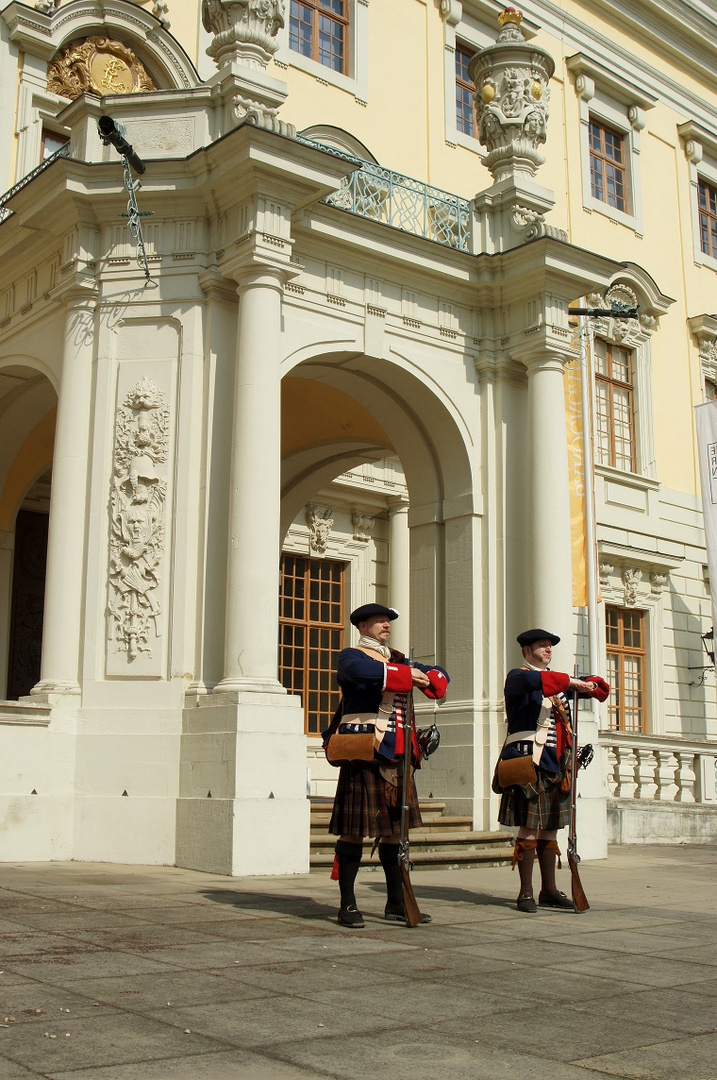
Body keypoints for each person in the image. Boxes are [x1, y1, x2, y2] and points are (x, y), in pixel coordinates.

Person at [327, 603, 449, 928]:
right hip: (365, 750)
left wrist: (423, 674)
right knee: (353, 833)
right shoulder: (352, 656)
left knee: (396, 834)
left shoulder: (397, 659)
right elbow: (361, 674)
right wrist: (409, 674)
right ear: (363, 627)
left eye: (388, 621)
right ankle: (347, 905)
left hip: (399, 756)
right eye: (380, 620)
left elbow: (440, 679)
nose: (386, 625)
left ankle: (396, 902)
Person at [497, 628, 609, 913]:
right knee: (530, 829)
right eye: (542, 646)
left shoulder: (559, 684)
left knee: (550, 830)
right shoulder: (519, 676)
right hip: (530, 764)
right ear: (527, 651)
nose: (548, 650)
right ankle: (525, 892)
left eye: (549, 646)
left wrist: (588, 685)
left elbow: (600, 690)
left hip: (557, 766)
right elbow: (542, 681)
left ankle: (548, 890)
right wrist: (572, 682)